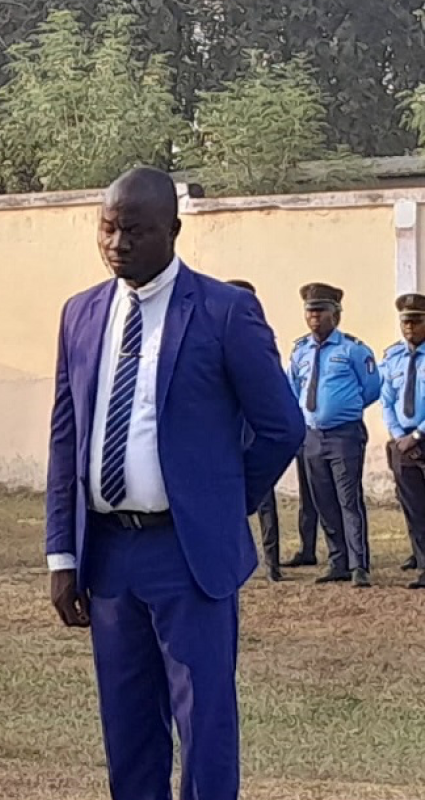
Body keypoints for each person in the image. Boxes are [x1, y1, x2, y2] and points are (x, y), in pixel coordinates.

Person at [45, 167, 303, 800]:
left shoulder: (223, 311)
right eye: (107, 228)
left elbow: (281, 427)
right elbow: (65, 438)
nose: (117, 243)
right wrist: (61, 552)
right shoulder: (81, 314)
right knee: (128, 726)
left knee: (205, 721)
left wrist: (217, 504)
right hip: (108, 555)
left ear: (173, 230)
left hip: (188, 556)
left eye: (135, 230)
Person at [288, 283, 381, 587]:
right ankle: (337, 561)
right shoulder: (300, 351)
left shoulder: (353, 349)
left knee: (348, 500)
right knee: (323, 500)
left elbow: (370, 389)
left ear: (336, 315)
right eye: (310, 312)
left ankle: (359, 565)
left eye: (321, 311)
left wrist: (343, 409)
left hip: (344, 435)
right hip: (312, 436)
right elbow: (294, 389)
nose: (314, 318)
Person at [227, 279, 283, 581]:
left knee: (263, 500)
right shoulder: (212, 336)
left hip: (254, 427)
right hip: (225, 432)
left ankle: (272, 562)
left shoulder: (261, 339)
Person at [379, 293, 425, 589]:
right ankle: (423, 562)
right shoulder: (393, 357)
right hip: (403, 442)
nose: (409, 326)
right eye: (405, 321)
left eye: (416, 320)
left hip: (422, 436)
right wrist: (399, 436)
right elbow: (386, 401)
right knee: (413, 505)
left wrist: (418, 434)